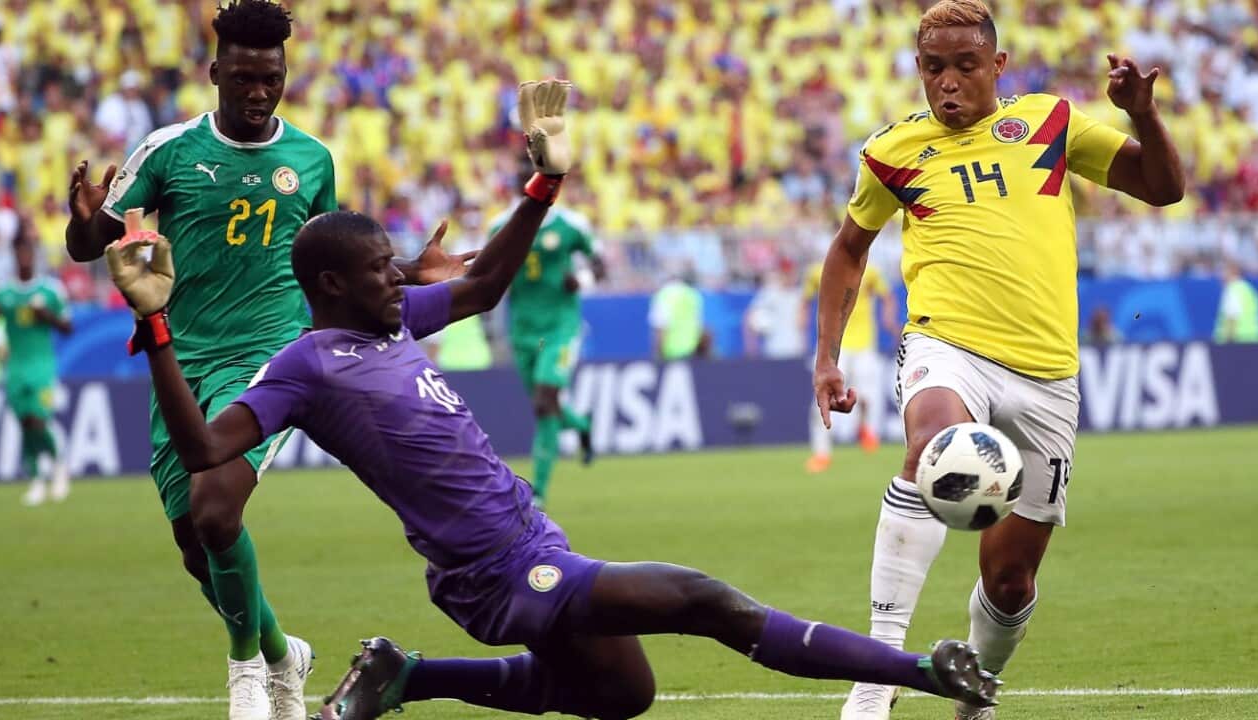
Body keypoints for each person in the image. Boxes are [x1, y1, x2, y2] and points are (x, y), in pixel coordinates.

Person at [109, 79, 998, 720]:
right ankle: (924, 671)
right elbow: (202, 453)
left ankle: (404, 676)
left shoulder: (386, 323)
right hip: (492, 573)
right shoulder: (304, 364)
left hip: (532, 537)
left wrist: (544, 182)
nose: (406, 278)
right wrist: (154, 331)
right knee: (707, 602)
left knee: (622, 695)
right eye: (386, 271)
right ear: (334, 283)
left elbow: (486, 282)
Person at [63, 3, 464, 717]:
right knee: (196, 544)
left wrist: (405, 268)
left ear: (285, 74)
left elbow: (334, 261)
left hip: (271, 354)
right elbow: (88, 245)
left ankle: (247, 670)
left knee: (218, 514)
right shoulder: (169, 151)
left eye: (270, 78)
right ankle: (285, 654)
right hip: (181, 358)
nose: (257, 92)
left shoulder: (310, 159)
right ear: (217, 73)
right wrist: (83, 217)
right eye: (244, 77)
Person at [812, 2, 1184, 718]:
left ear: (998, 67)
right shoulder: (892, 152)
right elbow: (847, 251)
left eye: (964, 66)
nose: (946, 83)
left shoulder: (1047, 123)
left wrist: (1143, 116)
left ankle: (977, 685)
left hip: (1048, 376)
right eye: (932, 68)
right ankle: (875, 677)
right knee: (932, 448)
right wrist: (827, 358)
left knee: (1010, 581)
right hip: (948, 344)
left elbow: (1164, 189)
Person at [489, 162, 605, 506]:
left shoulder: (571, 224)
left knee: (544, 400)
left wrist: (582, 281)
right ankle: (581, 424)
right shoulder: (500, 225)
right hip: (524, 330)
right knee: (546, 405)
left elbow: (599, 263)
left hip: (560, 327)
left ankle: (538, 489)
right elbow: (487, 272)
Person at [0, 238, 72, 506]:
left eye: (28, 251)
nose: (24, 257)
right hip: (14, 366)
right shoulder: (4, 293)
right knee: (24, 422)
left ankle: (59, 465)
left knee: (39, 418)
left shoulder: (49, 290)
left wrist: (46, 315)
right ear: (14, 255)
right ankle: (37, 479)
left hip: (42, 366)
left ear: (34, 254)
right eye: (20, 252)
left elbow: (67, 327)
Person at [804, 257, 898, 471]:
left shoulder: (871, 271)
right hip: (835, 345)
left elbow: (888, 297)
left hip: (864, 343)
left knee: (866, 396)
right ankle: (821, 453)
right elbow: (805, 299)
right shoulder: (817, 271)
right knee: (823, 395)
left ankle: (864, 428)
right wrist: (801, 323)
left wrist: (888, 319)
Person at [649, 269, 709, 361]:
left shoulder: (664, 295)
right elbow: (700, 326)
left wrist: (658, 353)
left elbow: (660, 327)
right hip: (692, 350)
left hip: (670, 352)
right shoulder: (692, 294)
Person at [1213, 259, 1258, 343]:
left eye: (1223, 270)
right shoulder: (1248, 289)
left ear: (1232, 271)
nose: (1220, 275)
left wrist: (1228, 342)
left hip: (1238, 340)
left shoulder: (1233, 289)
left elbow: (1232, 316)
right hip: (1253, 339)